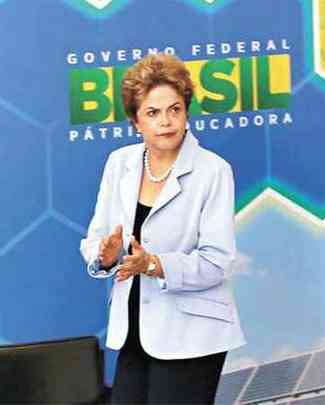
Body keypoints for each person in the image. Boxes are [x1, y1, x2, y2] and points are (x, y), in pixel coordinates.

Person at [80, 53, 245, 404]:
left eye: (175, 110)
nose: (166, 122)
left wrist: (154, 264)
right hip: (135, 331)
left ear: (186, 112)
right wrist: (105, 256)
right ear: (136, 121)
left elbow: (217, 262)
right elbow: (96, 239)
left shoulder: (213, 171)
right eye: (153, 113)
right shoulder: (119, 163)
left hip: (193, 333)